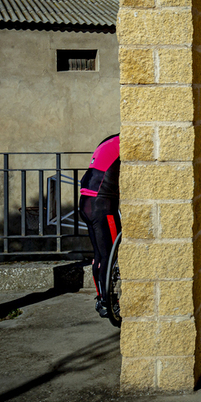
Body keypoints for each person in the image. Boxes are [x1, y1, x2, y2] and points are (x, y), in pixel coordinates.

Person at [79, 134, 120, 318]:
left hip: (86, 203)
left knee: (100, 255)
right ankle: (108, 302)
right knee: (111, 254)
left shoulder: (108, 141)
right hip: (102, 206)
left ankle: (101, 298)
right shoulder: (125, 141)